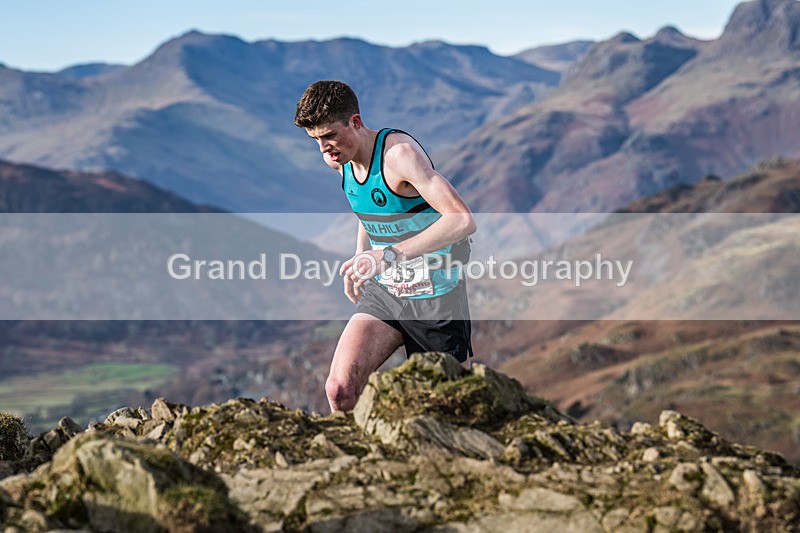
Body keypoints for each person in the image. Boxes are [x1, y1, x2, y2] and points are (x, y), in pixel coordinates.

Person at [295, 80, 477, 412]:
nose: (324, 149)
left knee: (448, 411)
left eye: (329, 136)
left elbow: (462, 220)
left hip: (436, 298)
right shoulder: (340, 160)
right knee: (340, 390)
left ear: (356, 122)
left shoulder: (399, 156)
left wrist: (390, 255)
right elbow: (368, 211)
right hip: (388, 292)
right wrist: (362, 255)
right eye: (316, 141)